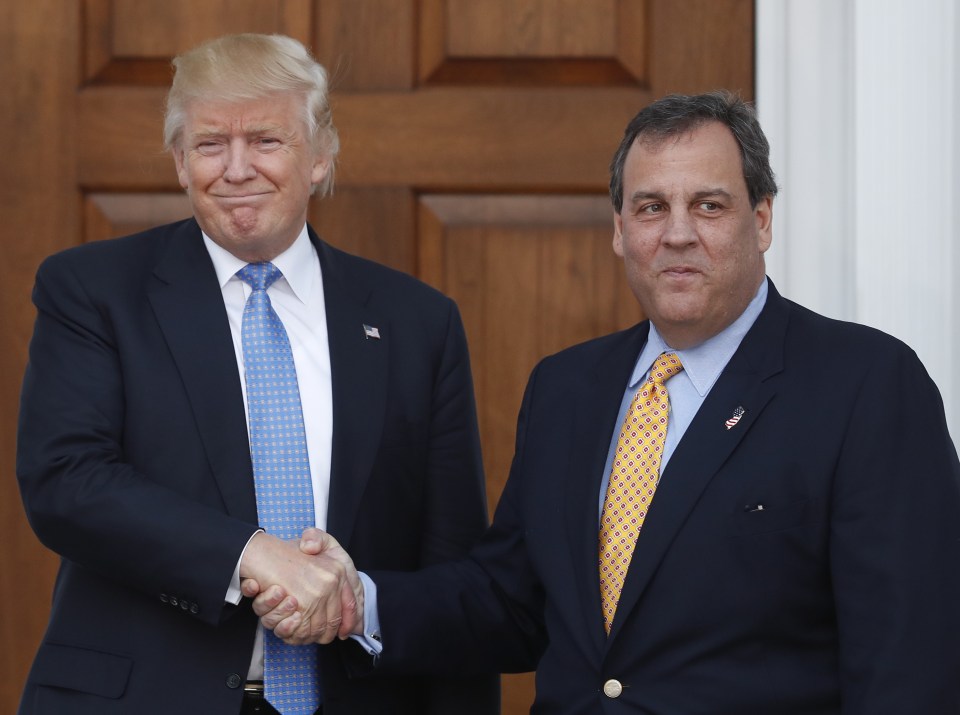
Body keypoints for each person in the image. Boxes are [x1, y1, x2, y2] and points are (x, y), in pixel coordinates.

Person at [251, 91, 960, 714]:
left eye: (708, 205)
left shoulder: (867, 385)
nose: (677, 232)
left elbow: (907, 663)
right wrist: (357, 602)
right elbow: (512, 602)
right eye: (651, 207)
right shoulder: (568, 387)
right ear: (621, 229)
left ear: (763, 220)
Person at [15, 33, 497, 715]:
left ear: (322, 154)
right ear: (181, 162)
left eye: (266, 140)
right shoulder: (94, 291)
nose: (236, 168)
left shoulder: (418, 322)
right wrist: (254, 554)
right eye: (211, 144)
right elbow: (66, 479)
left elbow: (454, 573)